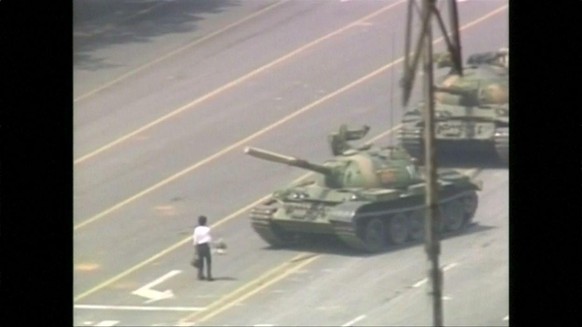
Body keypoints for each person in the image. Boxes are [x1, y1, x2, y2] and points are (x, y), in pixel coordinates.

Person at [192, 215, 213, 281]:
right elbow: (209, 238)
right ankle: (209, 275)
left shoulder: (196, 229)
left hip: (199, 246)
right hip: (206, 246)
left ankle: (200, 275)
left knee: (200, 261)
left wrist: (195, 247)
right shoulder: (207, 229)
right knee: (208, 261)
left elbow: (195, 239)